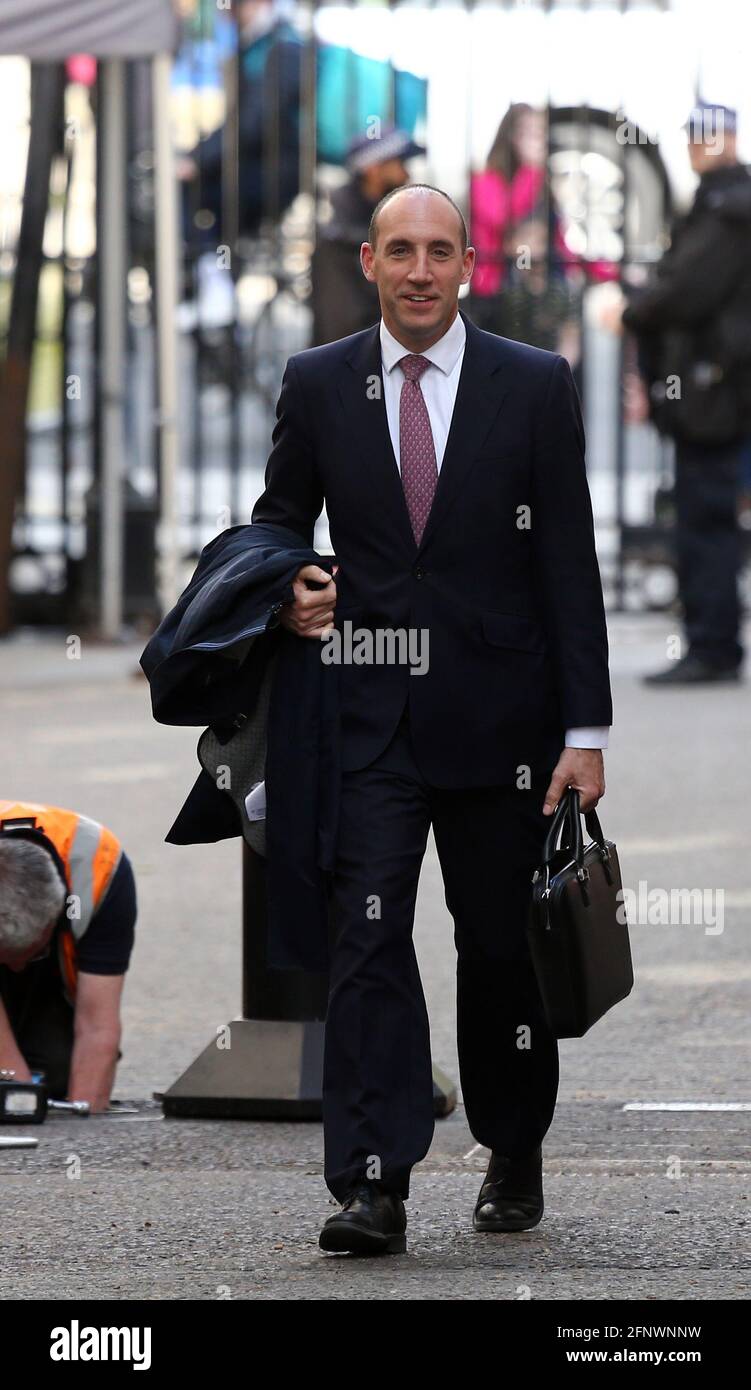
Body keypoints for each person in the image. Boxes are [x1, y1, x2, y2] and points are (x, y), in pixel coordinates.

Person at [250, 182, 612, 1252]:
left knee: (500, 948)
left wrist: (584, 732)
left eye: (438, 251)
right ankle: (373, 1180)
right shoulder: (318, 382)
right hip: (365, 713)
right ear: (368, 260)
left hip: (505, 723)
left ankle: (512, 1140)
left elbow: (567, 566)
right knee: (365, 942)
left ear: (468, 266)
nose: (418, 270)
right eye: (399, 250)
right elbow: (277, 523)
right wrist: (290, 584)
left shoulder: (532, 383)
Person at [615, 101, 751, 684]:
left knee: (707, 518)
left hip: (715, 391)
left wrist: (634, 309)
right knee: (704, 514)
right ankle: (712, 642)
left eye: (708, 135)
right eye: (693, 135)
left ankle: (713, 647)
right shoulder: (721, 205)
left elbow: (683, 293)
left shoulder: (730, 209)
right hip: (710, 388)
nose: (697, 145)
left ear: (730, 137)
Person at [0, 801, 137, 1111]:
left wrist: (83, 1125)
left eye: (31, 954)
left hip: (52, 977)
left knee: (56, 1071)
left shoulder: (99, 867)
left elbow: (98, 1025)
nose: (19, 967)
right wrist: (19, 1104)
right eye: (6, 958)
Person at [311, 124, 426, 346]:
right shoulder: (336, 240)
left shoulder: (386, 224)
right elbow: (342, 330)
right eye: (399, 163)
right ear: (373, 169)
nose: (406, 174)